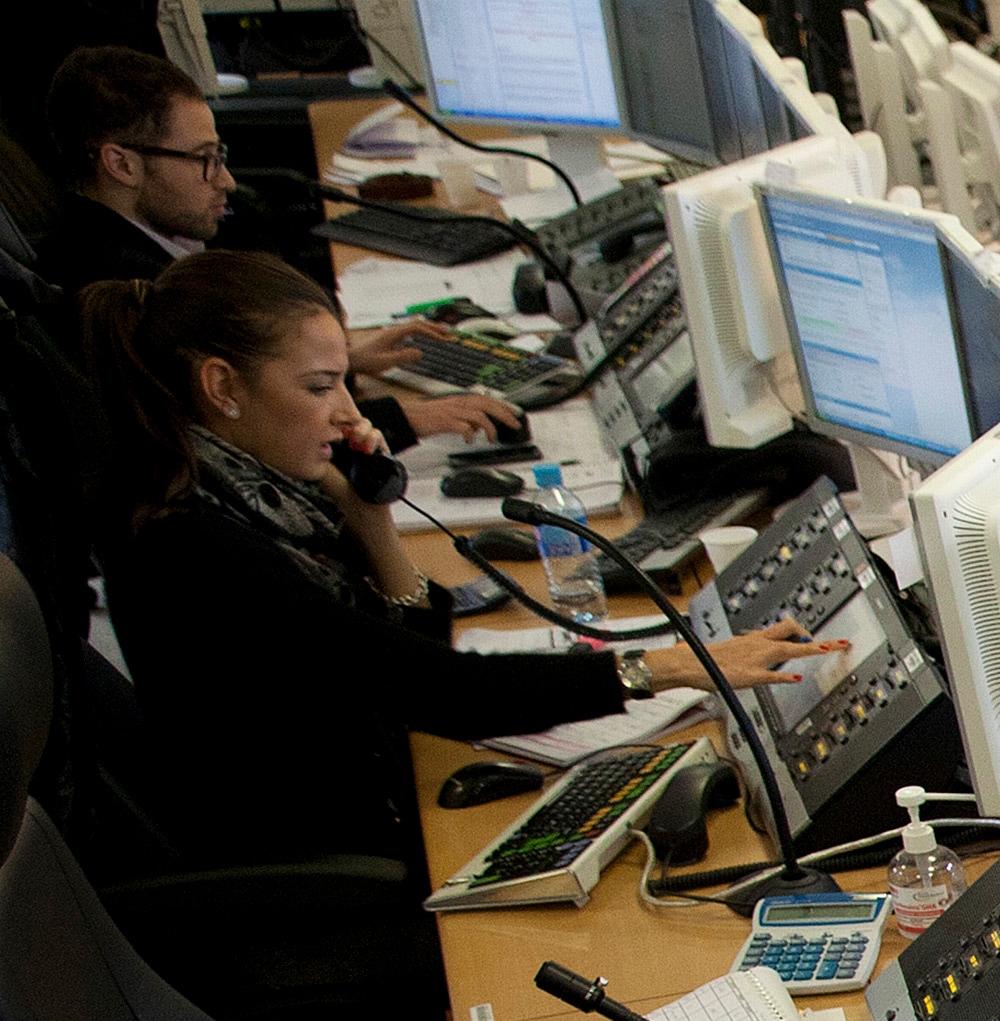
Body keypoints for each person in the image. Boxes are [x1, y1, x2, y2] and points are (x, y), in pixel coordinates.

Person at [81, 252, 837, 874]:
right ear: (221, 387)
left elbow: (406, 651)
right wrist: (675, 667)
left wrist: (371, 521)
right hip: (322, 857)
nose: (349, 413)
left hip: (364, 792)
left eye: (344, 380)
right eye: (319, 387)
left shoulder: (247, 496)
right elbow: (445, 691)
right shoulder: (197, 546)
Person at [36, 46, 522, 451]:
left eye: (220, 156)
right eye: (204, 159)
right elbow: (229, 443)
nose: (226, 180)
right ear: (121, 165)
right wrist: (404, 419)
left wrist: (339, 363)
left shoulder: (125, 243)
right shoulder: (126, 293)